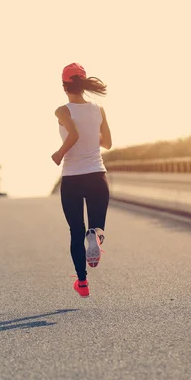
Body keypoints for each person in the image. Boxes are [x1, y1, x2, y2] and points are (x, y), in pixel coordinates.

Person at [52, 63, 112, 298]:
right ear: (84, 84)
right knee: (96, 227)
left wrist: (59, 153)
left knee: (76, 231)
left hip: (72, 178)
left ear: (64, 85)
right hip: (97, 175)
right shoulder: (99, 109)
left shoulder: (62, 111)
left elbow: (74, 135)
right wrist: (91, 135)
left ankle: (82, 281)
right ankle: (95, 236)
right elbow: (107, 143)